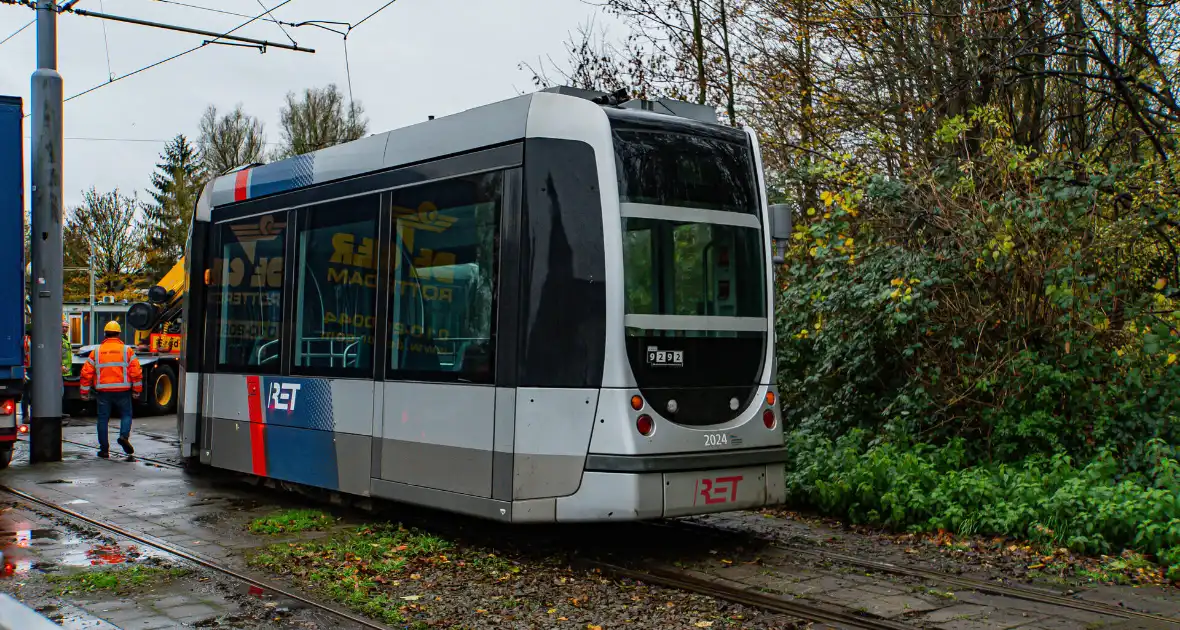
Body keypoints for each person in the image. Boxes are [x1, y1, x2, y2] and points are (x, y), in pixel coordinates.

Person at [79, 321, 142, 458]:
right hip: (123, 391)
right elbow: (136, 372)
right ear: (119, 334)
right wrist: (137, 390)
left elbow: (86, 373)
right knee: (126, 415)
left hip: (103, 392)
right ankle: (124, 436)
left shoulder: (97, 352)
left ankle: (104, 450)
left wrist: (84, 392)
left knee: (102, 419)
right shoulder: (127, 351)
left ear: (105, 334)